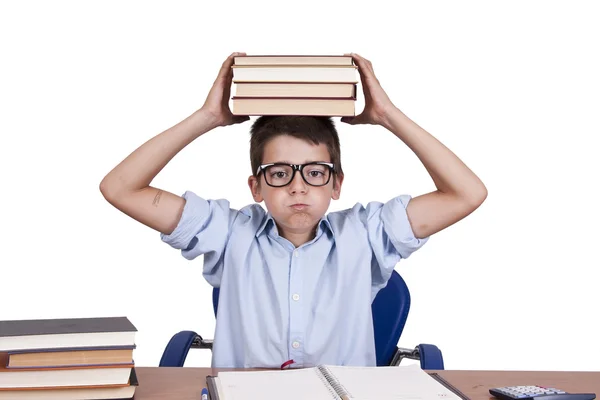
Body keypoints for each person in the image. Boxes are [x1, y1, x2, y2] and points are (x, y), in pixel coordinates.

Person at [99, 52, 487, 368]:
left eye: (315, 172)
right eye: (280, 173)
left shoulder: (366, 234)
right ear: (256, 187)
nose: (298, 186)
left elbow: (467, 194)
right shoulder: (229, 233)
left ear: (337, 185)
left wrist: (388, 116)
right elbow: (119, 188)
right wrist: (208, 118)